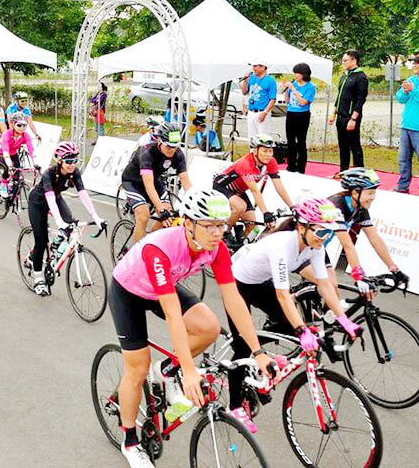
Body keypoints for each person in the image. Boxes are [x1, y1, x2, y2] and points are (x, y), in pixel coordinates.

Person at [109, 189, 276, 468]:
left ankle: (165, 370)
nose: (217, 232)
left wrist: (258, 352)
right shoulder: (160, 249)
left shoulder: (217, 248)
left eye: (221, 224)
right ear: (188, 223)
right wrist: (188, 370)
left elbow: (233, 299)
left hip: (162, 288)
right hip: (129, 291)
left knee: (209, 327)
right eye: (208, 225)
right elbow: (173, 315)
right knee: (137, 367)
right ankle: (130, 441)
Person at [227, 198, 359, 433]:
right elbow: (283, 295)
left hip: (259, 283)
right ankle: (234, 406)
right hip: (236, 284)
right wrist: (303, 329)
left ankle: (261, 356)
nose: (325, 238)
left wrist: (344, 320)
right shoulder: (281, 246)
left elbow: (325, 285)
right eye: (321, 232)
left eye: (329, 233)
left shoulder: (314, 245)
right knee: (244, 346)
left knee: (293, 331)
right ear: (301, 227)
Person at [26, 142, 105, 296]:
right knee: (41, 242)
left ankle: (56, 245)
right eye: (68, 161)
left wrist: (95, 216)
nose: (72, 164)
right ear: (59, 160)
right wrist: (59, 221)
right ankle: (38, 279)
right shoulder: (49, 173)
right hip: (38, 202)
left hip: (56, 198)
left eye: (75, 160)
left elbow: (83, 193)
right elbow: (49, 199)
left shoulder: (74, 172)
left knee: (72, 226)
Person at [329, 168, 403, 293]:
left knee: (331, 295)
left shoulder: (360, 208)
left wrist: (394, 269)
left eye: (374, 193)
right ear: (355, 193)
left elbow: (375, 239)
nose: (373, 197)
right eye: (370, 193)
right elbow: (347, 245)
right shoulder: (336, 206)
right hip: (303, 246)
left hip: (317, 248)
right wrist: (358, 275)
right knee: (330, 289)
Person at [213, 134, 294, 241]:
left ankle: (238, 246)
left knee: (252, 227)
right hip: (222, 186)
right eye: (265, 151)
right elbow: (255, 191)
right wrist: (265, 213)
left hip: (238, 190)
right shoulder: (245, 163)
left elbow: (279, 186)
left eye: (270, 151)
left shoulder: (271, 162)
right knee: (240, 206)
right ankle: (225, 233)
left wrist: (292, 206)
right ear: (255, 151)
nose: (268, 155)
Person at [121, 123, 191, 243]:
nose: (172, 150)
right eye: (169, 146)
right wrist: (160, 209)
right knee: (144, 216)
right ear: (160, 141)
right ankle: (138, 253)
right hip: (133, 183)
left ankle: (152, 242)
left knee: (168, 213)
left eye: (175, 146)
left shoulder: (177, 154)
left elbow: (186, 182)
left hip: (154, 181)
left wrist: (194, 201)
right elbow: (148, 186)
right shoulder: (147, 152)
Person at [331, 50, 368, 172]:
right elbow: (340, 96)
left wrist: (353, 119)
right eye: (342, 60)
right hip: (340, 116)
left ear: (354, 60)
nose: (343, 62)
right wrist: (334, 112)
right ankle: (343, 171)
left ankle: (359, 172)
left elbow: (360, 100)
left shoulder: (361, 77)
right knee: (343, 146)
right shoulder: (344, 76)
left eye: (345, 60)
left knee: (354, 146)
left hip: (351, 117)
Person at [284, 63, 316, 173]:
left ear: (303, 74)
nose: (295, 75)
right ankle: (291, 165)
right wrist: (286, 89)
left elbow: (303, 102)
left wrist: (293, 89)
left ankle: (301, 166)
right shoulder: (294, 84)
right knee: (290, 141)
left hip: (302, 115)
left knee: (301, 141)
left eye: (297, 73)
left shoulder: (310, 87)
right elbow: (287, 101)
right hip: (291, 113)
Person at [394, 53, 419, 193]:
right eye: (414, 62)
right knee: (403, 159)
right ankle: (403, 186)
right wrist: (404, 91)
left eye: (417, 63)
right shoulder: (411, 80)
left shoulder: (413, 85)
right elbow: (400, 98)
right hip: (406, 126)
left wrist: (413, 90)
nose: (414, 65)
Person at [0, 111, 35, 198]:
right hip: (2, 153)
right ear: (13, 125)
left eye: (24, 125)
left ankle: (12, 188)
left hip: (13, 153)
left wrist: (35, 163)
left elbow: (31, 149)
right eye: (19, 125)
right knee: (7, 168)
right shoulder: (7, 134)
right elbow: (5, 151)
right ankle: (3, 185)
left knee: (18, 171)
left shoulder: (25, 135)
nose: (22, 128)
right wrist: (10, 165)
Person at [239, 59, 277, 139]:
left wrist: (265, 112)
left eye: (255, 66)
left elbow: (273, 99)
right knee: (252, 137)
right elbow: (244, 92)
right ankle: (253, 151)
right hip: (251, 111)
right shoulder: (252, 78)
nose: (253, 68)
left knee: (263, 137)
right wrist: (245, 81)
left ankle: (262, 151)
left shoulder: (270, 81)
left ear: (263, 67)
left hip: (262, 111)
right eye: (253, 66)